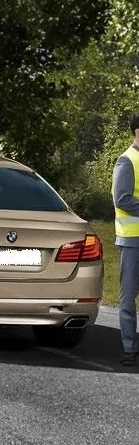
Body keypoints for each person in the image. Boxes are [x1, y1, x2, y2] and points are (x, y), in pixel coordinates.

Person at [112, 113, 139, 366]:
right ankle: (129, 349)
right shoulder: (126, 160)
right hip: (132, 241)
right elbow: (122, 199)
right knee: (128, 296)